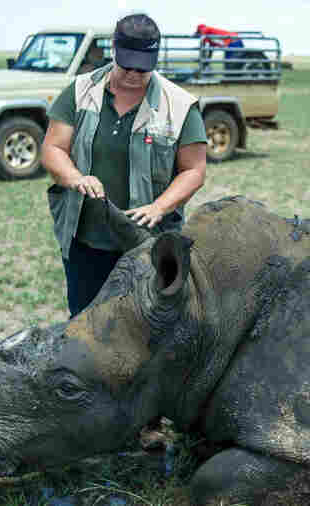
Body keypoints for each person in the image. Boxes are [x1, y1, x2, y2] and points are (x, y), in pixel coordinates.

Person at [43, 13, 207, 318]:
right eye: (126, 65)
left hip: (148, 245)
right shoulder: (80, 91)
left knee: (146, 324)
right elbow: (53, 148)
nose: (133, 74)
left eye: (143, 68)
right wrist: (76, 178)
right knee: (85, 320)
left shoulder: (179, 105)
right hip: (87, 242)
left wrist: (159, 206)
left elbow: (194, 170)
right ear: (114, 50)